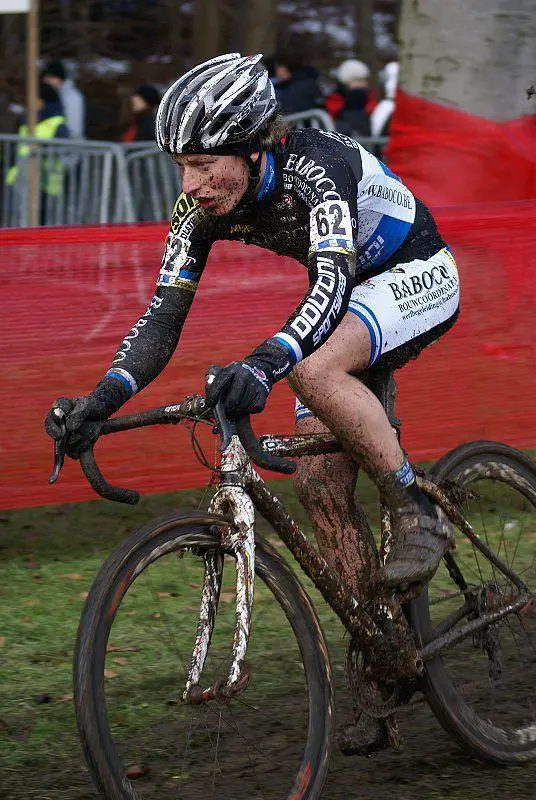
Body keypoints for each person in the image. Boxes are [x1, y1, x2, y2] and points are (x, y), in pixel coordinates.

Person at [45, 53, 459, 754]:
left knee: (313, 372)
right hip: (352, 297)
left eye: (206, 163)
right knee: (325, 491)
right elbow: (160, 321)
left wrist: (266, 361)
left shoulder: (317, 169)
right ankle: (382, 659)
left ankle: (414, 504)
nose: (193, 184)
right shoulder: (196, 209)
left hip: (413, 274)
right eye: (180, 165)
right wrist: (102, 397)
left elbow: (331, 285)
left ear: (250, 143)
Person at [5, 82, 69, 224]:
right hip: (20, 179)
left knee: (40, 224)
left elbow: (62, 149)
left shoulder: (57, 123)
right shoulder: (26, 119)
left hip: (44, 182)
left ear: (42, 100)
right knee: (18, 223)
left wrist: (42, 151)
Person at [325, 59, 372, 137]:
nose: (364, 84)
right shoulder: (336, 100)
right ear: (346, 82)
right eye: (358, 80)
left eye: (364, 80)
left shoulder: (368, 99)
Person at [42, 60, 85, 138]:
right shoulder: (52, 95)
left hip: (67, 144)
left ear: (60, 78)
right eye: (46, 77)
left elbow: (74, 126)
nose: (47, 80)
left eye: (51, 77)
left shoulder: (71, 96)